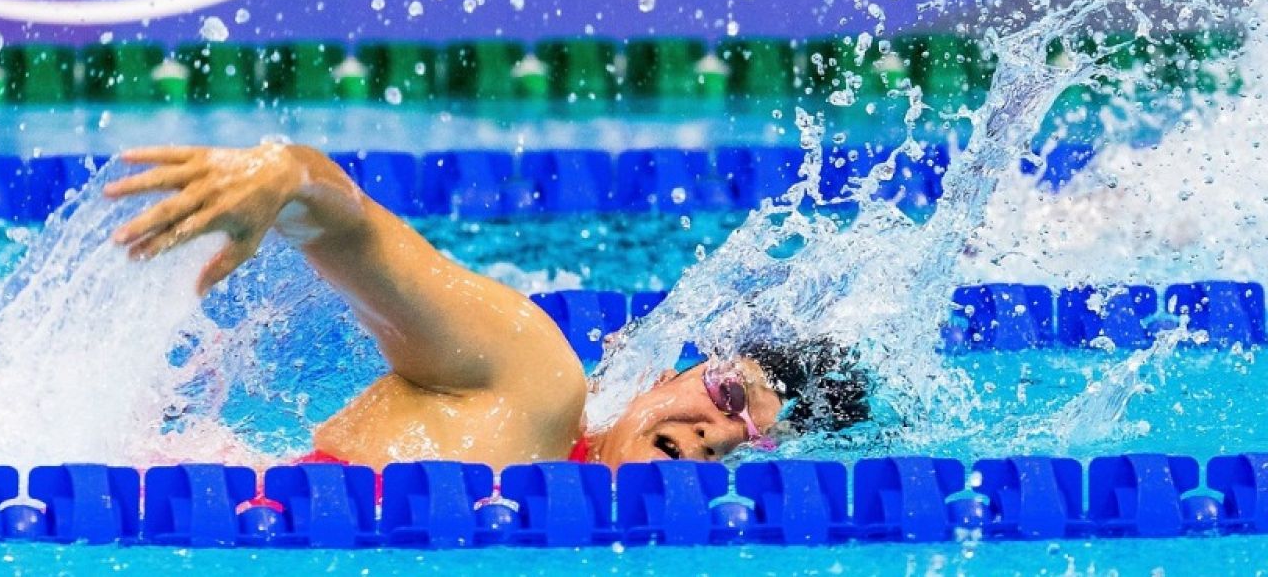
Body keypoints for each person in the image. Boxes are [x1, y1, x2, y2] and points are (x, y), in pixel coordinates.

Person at [107, 142, 869, 470]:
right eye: (729, 395)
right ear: (666, 375)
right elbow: (363, 238)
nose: (718, 436)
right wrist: (286, 181)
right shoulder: (531, 384)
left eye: (755, 447)